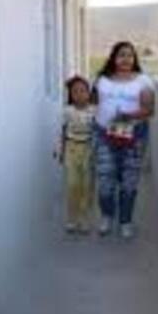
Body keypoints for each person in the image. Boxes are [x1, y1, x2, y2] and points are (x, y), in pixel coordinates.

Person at [93, 42, 155, 239]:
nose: (125, 59)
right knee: (105, 179)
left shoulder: (143, 81)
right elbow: (94, 103)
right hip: (104, 134)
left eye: (129, 55)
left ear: (134, 58)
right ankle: (106, 216)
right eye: (121, 55)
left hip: (134, 136)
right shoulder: (102, 79)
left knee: (129, 181)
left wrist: (127, 116)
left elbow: (149, 109)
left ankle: (125, 221)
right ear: (114, 58)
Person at [55, 75, 96, 234]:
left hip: (88, 149)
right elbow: (62, 132)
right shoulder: (67, 111)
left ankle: (84, 219)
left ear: (88, 93)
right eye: (75, 91)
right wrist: (60, 150)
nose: (79, 94)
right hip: (71, 149)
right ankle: (72, 218)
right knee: (73, 185)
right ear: (71, 95)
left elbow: (98, 132)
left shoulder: (94, 111)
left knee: (87, 185)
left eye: (83, 91)